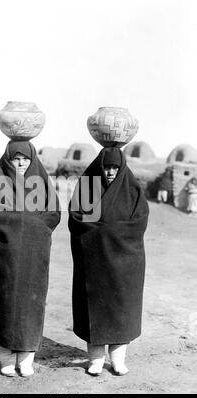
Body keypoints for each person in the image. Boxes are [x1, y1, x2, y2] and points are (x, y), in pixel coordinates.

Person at [68, 147, 149, 376]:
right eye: (106, 167)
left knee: (121, 310)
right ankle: (95, 359)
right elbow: (77, 219)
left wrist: (109, 232)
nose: (111, 172)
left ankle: (117, 360)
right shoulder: (88, 187)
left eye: (115, 167)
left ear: (121, 167)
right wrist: (102, 233)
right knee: (93, 310)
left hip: (124, 263)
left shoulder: (131, 189)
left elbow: (139, 222)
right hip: (92, 261)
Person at [0, 141, 61, 377]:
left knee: (31, 304)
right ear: (8, 159)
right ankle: (6, 358)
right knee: (4, 303)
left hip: (34, 254)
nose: (20, 163)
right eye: (16, 159)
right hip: (4, 253)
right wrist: (27, 223)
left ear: (32, 160)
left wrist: (28, 226)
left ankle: (26, 359)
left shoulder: (42, 183)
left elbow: (53, 214)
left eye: (25, 159)